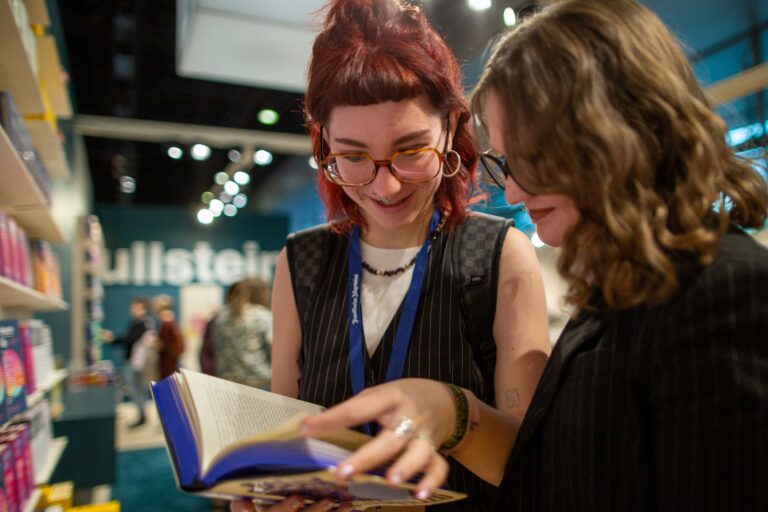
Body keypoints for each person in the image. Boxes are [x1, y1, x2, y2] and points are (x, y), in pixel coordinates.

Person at [252, 0, 768, 510]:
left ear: (613, 135)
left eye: (530, 159)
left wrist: (454, 415)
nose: (515, 193)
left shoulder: (722, 295)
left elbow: (540, 468)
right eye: (353, 155)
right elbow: (561, 468)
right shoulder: (619, 294)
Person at [263, 0, 551, 510]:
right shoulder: (302, 261)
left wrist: (454, 416)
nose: (386, 186)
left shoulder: (498, 254)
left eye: (411, 150)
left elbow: (533, 460)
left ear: (451, 128)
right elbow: (290, 435)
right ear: (324, 142)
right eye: (354, 156)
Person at [103, 296, 155, 428]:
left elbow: (129, 339)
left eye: (136, 307)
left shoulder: (143, 324)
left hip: (137, 364)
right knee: (135, 388)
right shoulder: (138, 323)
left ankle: (142, 414)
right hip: (133, 362)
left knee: (136, 388)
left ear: (144, 308)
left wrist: (113, 338)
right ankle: (141, 413)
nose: (133, 309)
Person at [211, 277, 273, 388]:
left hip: (255, 379)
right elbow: (216, 348)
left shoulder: (261, 317)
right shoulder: (221, 318)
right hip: (233, 379)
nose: (236, 299)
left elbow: (272, 347)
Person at [152, 294, 185, 380]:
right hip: (169, 358)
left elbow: (165, 342)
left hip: (168, 359)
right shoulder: (169, 320)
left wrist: (157, 344)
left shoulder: (167, 321)